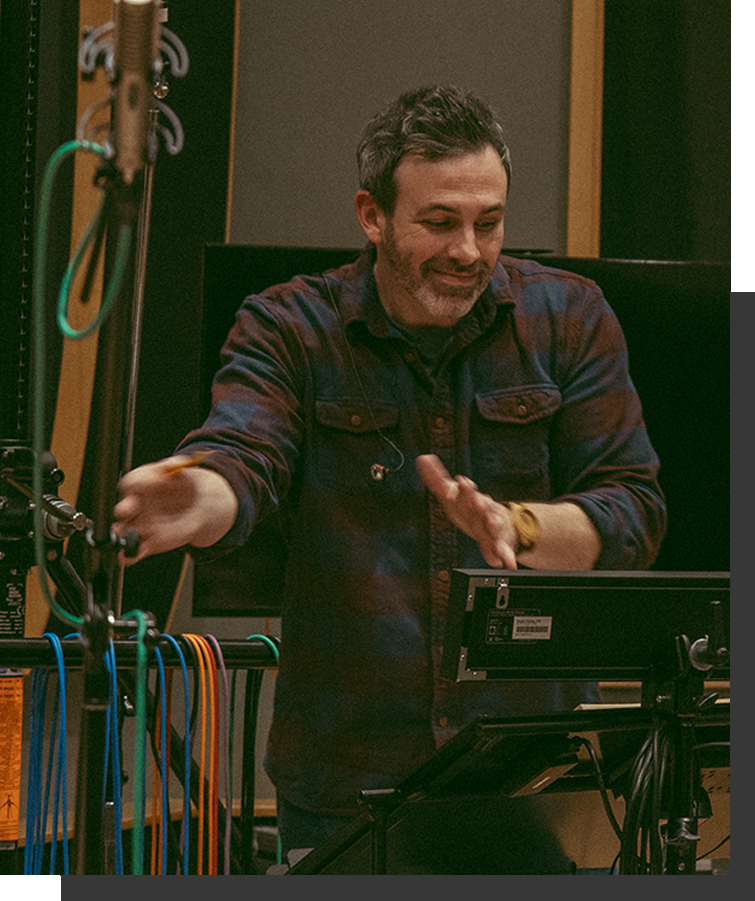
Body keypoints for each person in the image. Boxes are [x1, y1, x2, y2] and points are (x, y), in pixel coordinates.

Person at [114, 85, 666, 861]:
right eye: (439, 222)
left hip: (527, 775)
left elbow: (632, 512)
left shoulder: (569, 317)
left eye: (489, 222)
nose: (468, 250)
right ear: (371, 215)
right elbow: (245, 452)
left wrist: (520, 526)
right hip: (344, 779)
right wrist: (202, 493)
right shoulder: (290, 326)